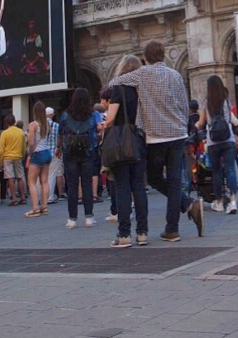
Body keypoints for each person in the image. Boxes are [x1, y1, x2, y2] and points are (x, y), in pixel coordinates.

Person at [98, 41, 203, 241]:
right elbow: (184, 105)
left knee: (154, 178)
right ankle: (172, 229)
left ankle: (187, 204)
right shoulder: (176, 75)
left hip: (155, 136)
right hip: (177, 134)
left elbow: (114, 82)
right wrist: (181, 124)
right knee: (174, 182)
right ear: (163, 56)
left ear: (145, 58)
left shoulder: (142, 74)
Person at [102, 56, 150, 247]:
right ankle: (142, 233)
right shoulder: (143, 89)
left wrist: (103, 127)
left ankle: (124, 235)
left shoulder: (118, 88)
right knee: (139, 187)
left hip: (122, 142)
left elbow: (111, 118)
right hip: (139, 140)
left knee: (122, 187)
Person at [198, 75, 238, 215]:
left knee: (216, 171)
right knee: (230, 169)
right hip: (227, 138)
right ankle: (233, 201)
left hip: (213, 141)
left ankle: (218, 202)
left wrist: (196, 126)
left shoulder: (206, 102)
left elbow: (201, 123)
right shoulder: (226, 100)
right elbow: (229, 118)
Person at [55, 87, 97, 228]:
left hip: (70, 151)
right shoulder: (91, 115)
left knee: (72, 186)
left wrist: (58, 148)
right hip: (87, 151)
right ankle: (89, 217)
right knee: (86, 184)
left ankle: (72, 219)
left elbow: (60, 133)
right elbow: (95, 131)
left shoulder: (66, 115)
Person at [24, 99, 53, 216]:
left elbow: (31, 143)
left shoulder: (33, 125)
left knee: (31, 181)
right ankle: (44, 207)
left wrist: (30, 154)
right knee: (44, 181)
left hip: (38, 153)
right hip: (47, 152)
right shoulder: (47, 124)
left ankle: (35, 208)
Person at [0, 115, 26, 207]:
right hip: (18, 156)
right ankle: (23, 197)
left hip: (7, 157)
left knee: (10, 177)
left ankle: (14, 198)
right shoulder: (21, 132)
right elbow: (23, 146)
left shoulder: (4, 133)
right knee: (20, 177)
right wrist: (22, 155)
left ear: (7, 123)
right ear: (15, 122)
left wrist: (1, 161)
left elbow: (1, 149)